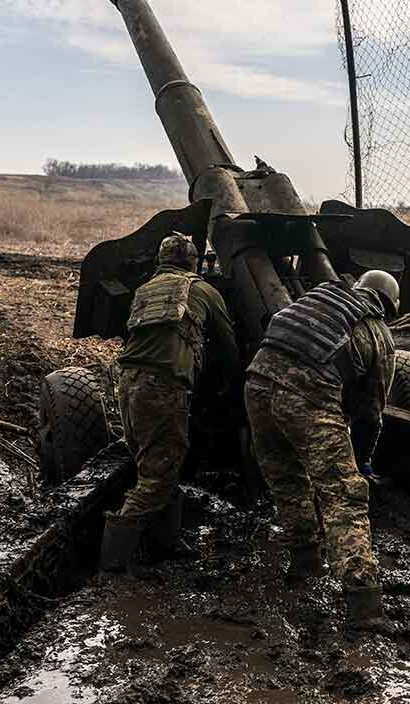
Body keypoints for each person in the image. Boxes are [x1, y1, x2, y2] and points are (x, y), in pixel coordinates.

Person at [244, 270, 401, 636]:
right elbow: (370, 412)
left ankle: (304, 565)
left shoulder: (321, 294)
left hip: (256, 385)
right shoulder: (377, 332)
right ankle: (365, 606)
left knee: (288, 482)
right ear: (387, 306)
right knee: (344, 496)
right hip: (307, 395)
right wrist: (360, 463)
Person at [102, 233, 240, 572]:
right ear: (193, 263)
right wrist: (234, 383)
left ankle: (166, 543)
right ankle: (114, 563)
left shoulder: (145, 291)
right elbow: (228, 342)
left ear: (160, 261)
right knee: (158, 473)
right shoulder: (203, 290)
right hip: (162, 386)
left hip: (128, 382)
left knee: (157, 463)